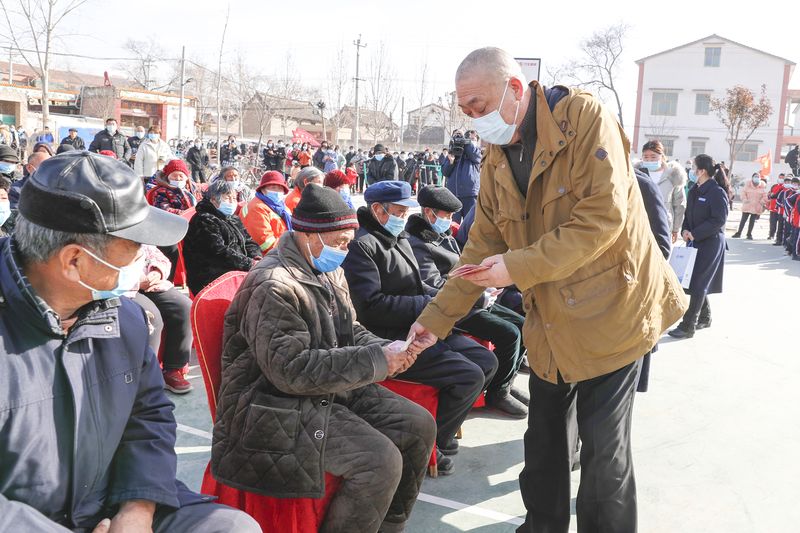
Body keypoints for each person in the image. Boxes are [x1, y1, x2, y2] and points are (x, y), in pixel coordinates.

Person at [406, 47, 686, 532]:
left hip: (615, 312)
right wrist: (435, 320)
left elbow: (602, 219)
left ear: (515, 89)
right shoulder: (496, 156)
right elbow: (481, 244)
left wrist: (515, 268)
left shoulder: (584, 119)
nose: (474, 121)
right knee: (544, 445)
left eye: (479, 106)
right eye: (466, 111)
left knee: (604, 455)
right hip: (552, 317)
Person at [1, 150, 260, 533]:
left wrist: (138, 508)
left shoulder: (125, 318)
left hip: (113, 500)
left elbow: (148, 415)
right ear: (74, 261)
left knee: (231, 527)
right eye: (133, 250)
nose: (141, 262)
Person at [212, 185, 436, 533]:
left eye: (348, 242)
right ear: (307, 235)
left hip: (326, 385)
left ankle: (390, 525)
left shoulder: (328, 268)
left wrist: (391, 350)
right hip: (273, 404)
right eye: (339, 242)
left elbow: (350, 330)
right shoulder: (273, 285)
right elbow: (291, 370)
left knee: (418, 425)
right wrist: (375, 360)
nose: (345, 250)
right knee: (379, 460)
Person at [342, 180, 498, 474]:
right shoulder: (363, 246)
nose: (404, 217)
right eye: (399, 211)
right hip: (390, 336)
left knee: (486, 361)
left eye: (405, 211)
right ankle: (427, 444)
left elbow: (417, 285)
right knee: (468, 376)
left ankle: (442, 433)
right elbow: (370, 306)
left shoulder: (397, 236)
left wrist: (443, 300)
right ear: (378, 210)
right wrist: (427, 303)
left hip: (420, 324)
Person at [406, 185, 529, 417]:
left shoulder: (444, 236)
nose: (450, 220)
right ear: (429, 212)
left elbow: (463, 266)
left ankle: (504, 383)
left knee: (522, 325)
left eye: (452, 216)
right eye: (446, 215)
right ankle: (497, 393)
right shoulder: (418, 243)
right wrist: (481, 295)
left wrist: (485, 285)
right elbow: (434, 286)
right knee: (510, 333)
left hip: (472, 297)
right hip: (452, 306)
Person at [669, 154, 729, 339]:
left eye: (693, 167)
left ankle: (688, 326)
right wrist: (685, 230)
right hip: (693, 240)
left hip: (710, 243)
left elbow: (719, 220)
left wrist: (696, 233)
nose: (691, 170)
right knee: (695, 281)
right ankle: (705, 317)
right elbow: (688, 214)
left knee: (699, 283)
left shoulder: (716, 192)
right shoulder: (695, 189)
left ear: (701, 171)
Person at [128, 245, 194, 394]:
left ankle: (173, 369)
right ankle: (146, 379)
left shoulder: (140, 235)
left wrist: (156, 272)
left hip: (152, 285)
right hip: (123, 289)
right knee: (151, 316)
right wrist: (136, 280)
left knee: (184, 307)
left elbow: (158, 257)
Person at [182, 179, 261, 295]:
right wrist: (249, 264)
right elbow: (218, 251)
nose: (232, 202)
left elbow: (249, 241)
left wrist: (256, 257)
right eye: (227, 198)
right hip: (212, 274)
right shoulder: (204, 220)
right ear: (213, 200)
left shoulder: (233, 218)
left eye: (234, 198)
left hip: (238, 269)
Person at [638, 140, 687, 243]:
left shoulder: (673, 176)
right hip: (639, 225)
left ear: (662, 156)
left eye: (653, 157)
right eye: (646, 157)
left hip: (663, 226)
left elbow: (679, 204)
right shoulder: (636, 174)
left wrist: (675, 229)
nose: (649, 160)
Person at [239, 170, 292, 255]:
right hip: (268, 256)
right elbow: (266, 243)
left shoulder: (280, 205)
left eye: (280, 188)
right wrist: (291, 250)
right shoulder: (257, 208)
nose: (277, 192)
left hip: (282, 250)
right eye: (273, 188)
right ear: (263, 189)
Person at [442, 130, 481, 223]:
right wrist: (451, 162)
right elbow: (445, 172)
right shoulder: (451, 153)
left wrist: (466, 142)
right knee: (453, 224)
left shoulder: (474, 151)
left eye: (460, 136)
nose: (458, 138)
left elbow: (477, 157)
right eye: (456, 136)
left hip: (470, 194)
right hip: (453, 195)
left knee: (471, 224)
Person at [733, 173, 768, 240]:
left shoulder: (762, 187)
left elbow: (765, 196)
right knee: (743, 220)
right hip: (747, 205)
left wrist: (762, 201)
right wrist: (745, 199)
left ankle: (749, 234)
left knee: (752, 221)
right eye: (755, 176)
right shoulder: (747, 185)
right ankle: (739, 233)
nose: (756, 178)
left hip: (756, 207)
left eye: (758, 177)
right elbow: (743, 193)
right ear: (752, 178)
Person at [767, 174, 789, 240]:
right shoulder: (774, 186)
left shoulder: (784, 187)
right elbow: (770, 195)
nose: (781, 179)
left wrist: (773, 195)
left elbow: (775, 195)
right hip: (773, 207)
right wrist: (769, 196)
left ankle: (779, 237)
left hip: (780, 208)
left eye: (782, 178)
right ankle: (771, 234)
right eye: (780, 178)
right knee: (772, 222)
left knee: (780, 223)